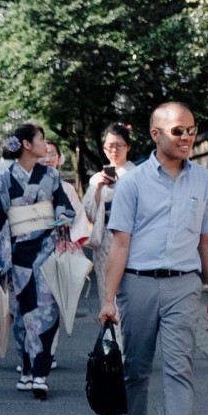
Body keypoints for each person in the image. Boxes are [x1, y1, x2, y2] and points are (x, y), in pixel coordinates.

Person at [99, 102, 208, 415]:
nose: (187, 137)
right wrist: (108, 299)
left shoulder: (204, 180)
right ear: (156, 135)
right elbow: (119, 244)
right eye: (177, 131)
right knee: (136, 368)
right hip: (137, 284)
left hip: (184, 286)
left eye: (191, 130)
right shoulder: (133, 183)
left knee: (179, 368)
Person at [0, 124, 77, 399]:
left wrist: (63, 216)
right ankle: (26, 369)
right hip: (17, 253)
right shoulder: (2, 179)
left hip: (46, 250)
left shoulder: (52, 176)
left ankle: (41, 373)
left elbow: (64, 205)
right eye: (42, 140)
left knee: (46, 310)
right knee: (22, 314)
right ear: (27, 145)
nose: (46, 145)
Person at [81, 122, 136, 300]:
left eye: (119, 145)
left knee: (129, 293)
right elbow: (88, 214)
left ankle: (124, 328)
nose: (114, 150)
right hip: (105, 239)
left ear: (127, 146)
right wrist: (97, 189)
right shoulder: (96, 178)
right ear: (104, 149)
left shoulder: (138, 175)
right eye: (110, 146)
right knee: (107, 293)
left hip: (131, 240)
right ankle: (110, 328)